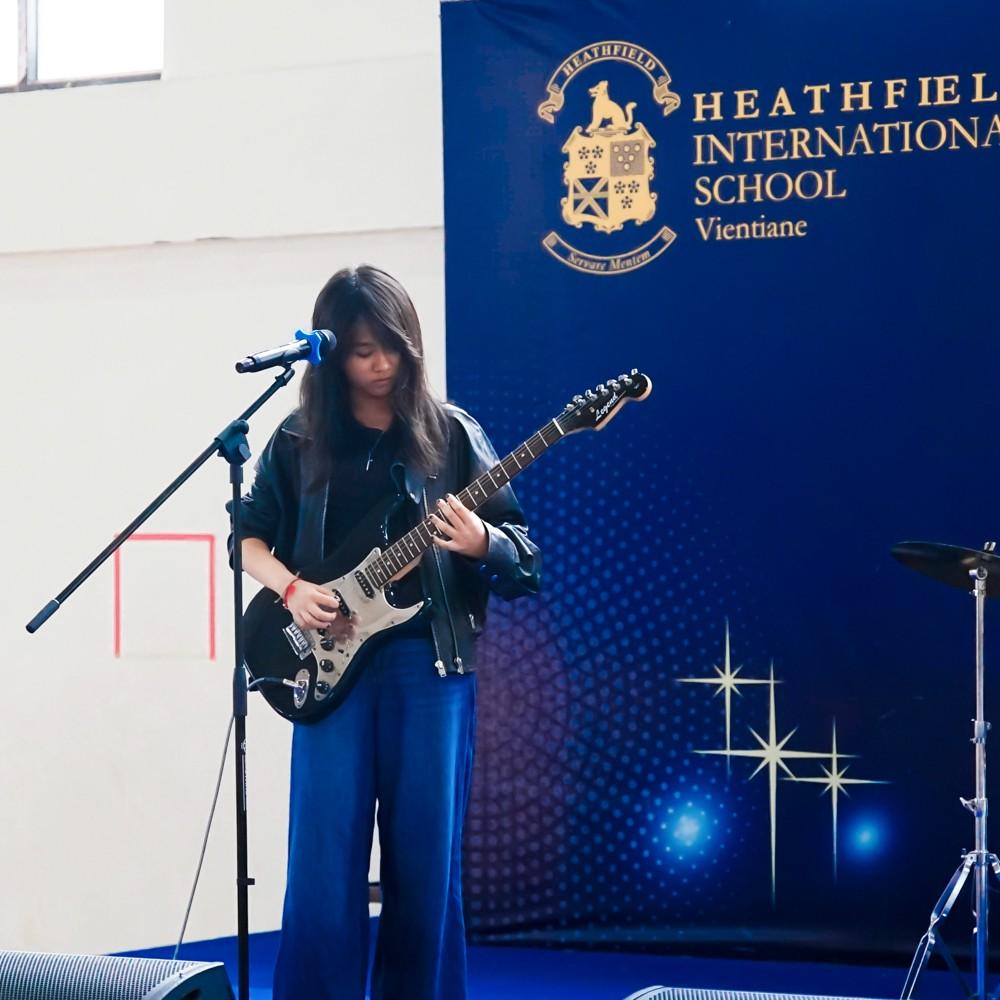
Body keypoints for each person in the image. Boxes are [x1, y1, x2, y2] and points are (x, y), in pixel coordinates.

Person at [228, 264, 541, 1000]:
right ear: (332, 354)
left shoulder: (452, 434)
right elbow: (246, 538)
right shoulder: (298, 437)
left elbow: (524, 557)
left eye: (393, 347)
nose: (380, 365)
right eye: (362, 351)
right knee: (321, 862)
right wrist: (293, 589)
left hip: (429, 669)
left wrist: (480, 543)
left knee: (425, 864)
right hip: (327, 669)